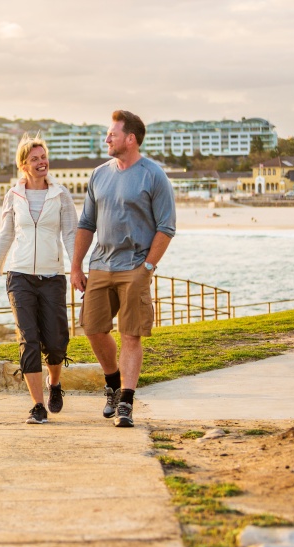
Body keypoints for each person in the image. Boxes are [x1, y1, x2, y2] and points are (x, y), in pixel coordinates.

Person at [71, 110, 176, 428]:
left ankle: (126, 403)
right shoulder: (99, 175)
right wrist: (75, 266)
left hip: (135, 267)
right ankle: (113, 384)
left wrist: (147, 267)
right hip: (101, 265)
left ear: (130, 138)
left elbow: (166, 227)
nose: (107, 139)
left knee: (131, 335)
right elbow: (87, 223)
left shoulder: (153, 175)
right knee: (92, 327)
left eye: (112, 134)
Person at [0, 134, 78, 424]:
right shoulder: (13, 195)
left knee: (55, 342)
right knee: (28, 340)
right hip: (20, 275)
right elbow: (6, 235)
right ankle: (37, 406)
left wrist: (77, 269)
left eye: (44, 157)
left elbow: (70, 235)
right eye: (35, 159)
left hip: (53, 276)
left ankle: (55, 384)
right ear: (24, 165)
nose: (42, 163)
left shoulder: (61, 194)